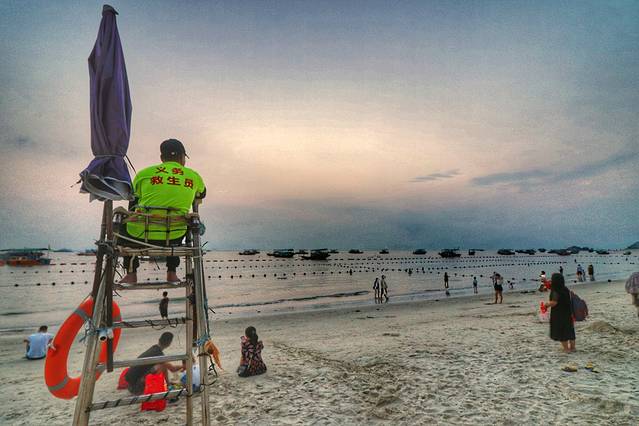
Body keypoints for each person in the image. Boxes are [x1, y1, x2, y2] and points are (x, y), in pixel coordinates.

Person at [120, 139, 206, 284]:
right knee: (178, 222)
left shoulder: (144, 174)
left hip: (138, 236)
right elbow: (202, 193)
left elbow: (132, 202)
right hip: (174, 236)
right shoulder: (193, 176)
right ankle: (171, 273)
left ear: (162, 158)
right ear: (182, 157)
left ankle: (131, 273)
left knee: (123, 222)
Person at [543, 273, 576, 353]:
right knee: (569, 330)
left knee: (561, 331)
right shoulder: (565, 289)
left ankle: (566, 349)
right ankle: (573, 348)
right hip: (568, 311)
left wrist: (546, 305)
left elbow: (554, 302)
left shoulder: (555, 291)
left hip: (558, 313)